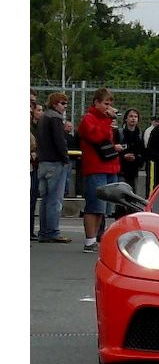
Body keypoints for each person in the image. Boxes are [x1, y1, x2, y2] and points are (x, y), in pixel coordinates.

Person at [77, 87, 125, 252]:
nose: (108, 107)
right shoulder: (89, 119)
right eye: (105, 103)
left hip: (109, 167)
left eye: (110, 103)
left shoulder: (105, 121)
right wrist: (107, 121)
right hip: (96, 167)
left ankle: (96, 237)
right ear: (96, 102)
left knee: (103, 208)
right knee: (94, 205)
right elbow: (98, 137)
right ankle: (89, 240)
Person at [36, 93, 72, 243]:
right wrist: (65, 158)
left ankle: (44, 231)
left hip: (43, 162)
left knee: (45, 199)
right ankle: (52, 231)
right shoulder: (56, 118)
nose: (65, 107)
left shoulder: (43, 117)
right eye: (63, 104)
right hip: (55, 162)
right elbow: (59, 141)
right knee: (55, 199)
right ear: (55, 103)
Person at [117, 107, 148, 198]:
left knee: (132, 194)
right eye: (131, 116)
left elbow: (143, 152)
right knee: (120, 194)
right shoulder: (119, 133)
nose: (133, 118)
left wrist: (137, 158)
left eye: (135, 116)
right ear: (126, 119)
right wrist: (123, 156)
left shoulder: (140, 134)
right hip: (121, 170)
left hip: (134, 170)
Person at [30, 101, 44, 239]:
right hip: (32, 163)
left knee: (33, 198)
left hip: (35, 164)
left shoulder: (40, 126)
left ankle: (30, 230)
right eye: (38, 110)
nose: (41, 112)